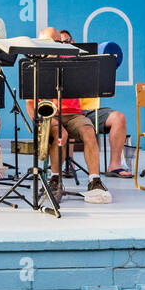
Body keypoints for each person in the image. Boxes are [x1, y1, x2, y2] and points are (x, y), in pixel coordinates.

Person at [28, 27, 111, 204]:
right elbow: (29, 103)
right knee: (60, 135)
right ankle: (56, 178)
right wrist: (39, 121)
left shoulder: (73, 61)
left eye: (58, 42)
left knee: (89, 131)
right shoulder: (34, 64)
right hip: (50, 115)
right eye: (49, 43)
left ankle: (94, 180)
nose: (55, 46)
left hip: (73, 114)